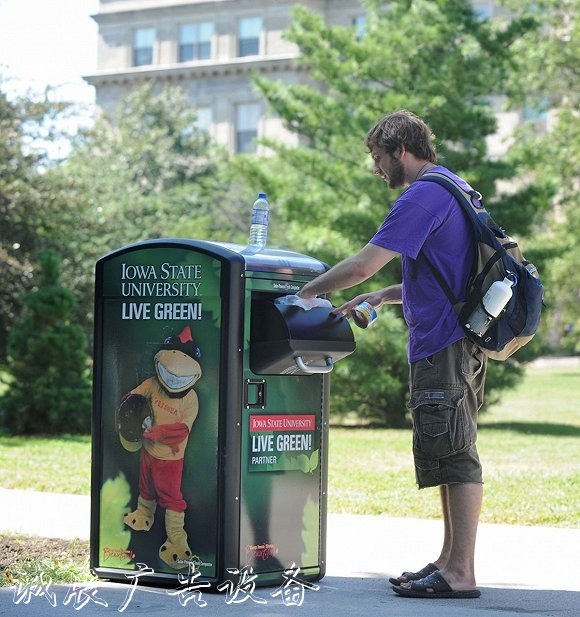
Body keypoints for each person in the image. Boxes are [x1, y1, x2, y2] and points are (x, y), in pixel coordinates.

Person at [298, 110, 487, 599]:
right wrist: (383, 297)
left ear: (401, 150)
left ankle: (460, 572)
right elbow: (443, 276)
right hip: (452, 340)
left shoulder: (422, 195)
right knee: (445, 450)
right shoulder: (452, 186)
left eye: (379, 158)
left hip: (443, 344)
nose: (377, 169)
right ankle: (448, 562)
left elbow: (362, 265)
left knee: (456, 453)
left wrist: (305, 294)